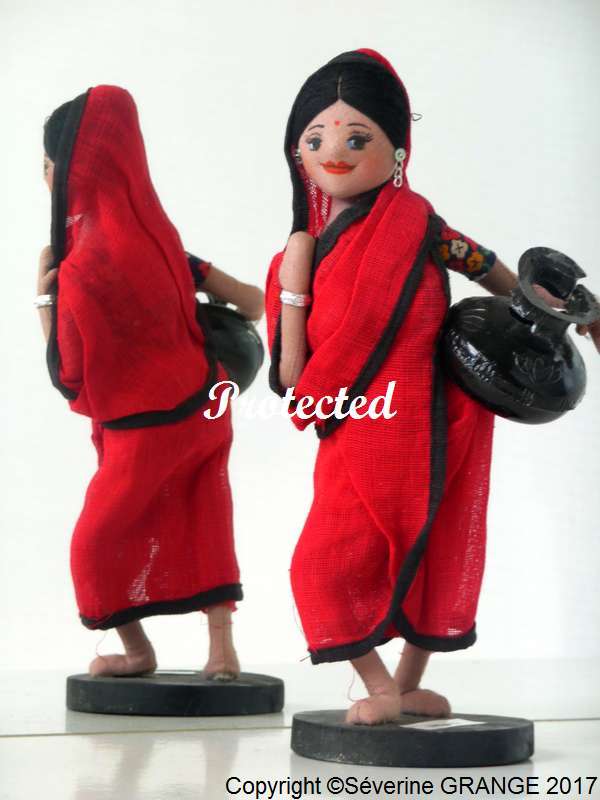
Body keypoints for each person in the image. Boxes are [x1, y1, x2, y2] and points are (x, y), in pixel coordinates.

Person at [265, 48, 600, 725]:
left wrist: (573, 313)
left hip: (438, 413)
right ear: (296, 153)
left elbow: (491, 271)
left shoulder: (419, 225)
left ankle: (403, 686)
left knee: (439, 542)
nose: (334, 153)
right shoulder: (303, 250)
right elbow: (293, 372)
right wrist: (294, 310)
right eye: (316, 138)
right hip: (356, 424)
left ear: (397, 151)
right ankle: (377, 683)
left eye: (357, 138)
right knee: (325, 563)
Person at [37, 85, 264, 679]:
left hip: (140, 427)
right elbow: (254, 303)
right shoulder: (163, 243)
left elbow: (69, 377)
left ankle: (137, 651)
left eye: (49, 163)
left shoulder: (80, 269)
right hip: (207, 403)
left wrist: (44, 298)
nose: (45, 175)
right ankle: (222, 652)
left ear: (68, 171)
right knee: (206, 517)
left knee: (95, 543)